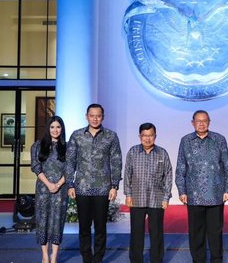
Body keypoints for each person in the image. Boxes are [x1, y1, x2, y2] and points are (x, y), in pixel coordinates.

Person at [65, 103, 122, 263]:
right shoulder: (77, 135)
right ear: (86, 116)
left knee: (100, 227)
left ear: (102, 117)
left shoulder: (111, 136)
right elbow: (70, 161)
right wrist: (70, 184)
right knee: (83, 227)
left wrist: (114, 185)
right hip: (82, 188)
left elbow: (116, 161)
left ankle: (98, 257)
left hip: (103, 188)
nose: (95, 118)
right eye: (92, 115)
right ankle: (86, 257)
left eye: (98, 115)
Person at [175, 110, 228, 263]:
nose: (201, 123)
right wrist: (182, 191)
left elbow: (227, 166)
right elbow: (181, 167)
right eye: (198, 120)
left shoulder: (219, 139)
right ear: (192, 122)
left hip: (216, 194)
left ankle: (216, 260)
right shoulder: (185, 140)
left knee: (215, 233)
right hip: (193, 196)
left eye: (204, 120)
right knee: (196, 233)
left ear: (209, 122)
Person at [124, 123, 173, 263]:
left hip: (156, 199)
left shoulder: (162, 153)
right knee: (136, 234)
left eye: (150, 135)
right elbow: (127, 173)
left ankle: (156, 260)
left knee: (156, 234)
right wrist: (128, 194)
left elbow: (168, 175)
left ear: (155, 136)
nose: (147, 139)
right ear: (140, 136)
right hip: (137, 198)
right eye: (144, 135)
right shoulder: (133, 152)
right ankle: (135, 260)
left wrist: (166, 197)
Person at [31, 116, 68, 263]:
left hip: (61, 188)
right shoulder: (37, 146)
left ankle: (54, 256)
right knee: (43, 219)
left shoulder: (68, 146)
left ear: (62, 129)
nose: (55, 130)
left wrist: (58, 184)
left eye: (58, 127)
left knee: (57, 220)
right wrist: (48, 184)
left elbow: (71, 168)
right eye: (52, 127)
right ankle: (45, 255)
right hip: (43, 188)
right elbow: (35, 166)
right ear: (48, 129)